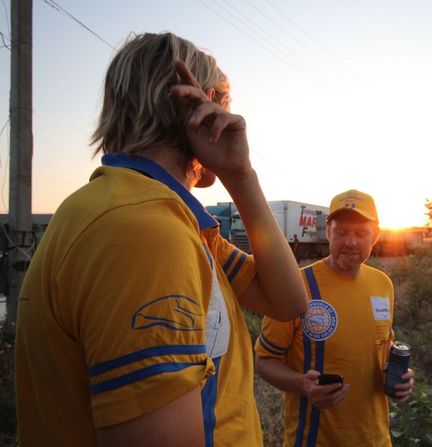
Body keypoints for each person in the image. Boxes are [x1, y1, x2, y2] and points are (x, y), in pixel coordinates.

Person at [15, 32, 308, 447]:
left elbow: (288, 302)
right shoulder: (143, 232)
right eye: (224, 103)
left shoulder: (164, 218)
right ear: (202, 107)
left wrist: (241, 177)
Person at [255, 189, 415, 446]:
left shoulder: (382, 284)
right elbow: (264, 361)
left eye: (361, 233)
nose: (350, 242)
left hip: (375, 439)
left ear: (375, 236)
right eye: (341, 232)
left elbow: (380, 349)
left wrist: (401, 377)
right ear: (328, 232)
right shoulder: (296, 285)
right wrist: (303, 385)